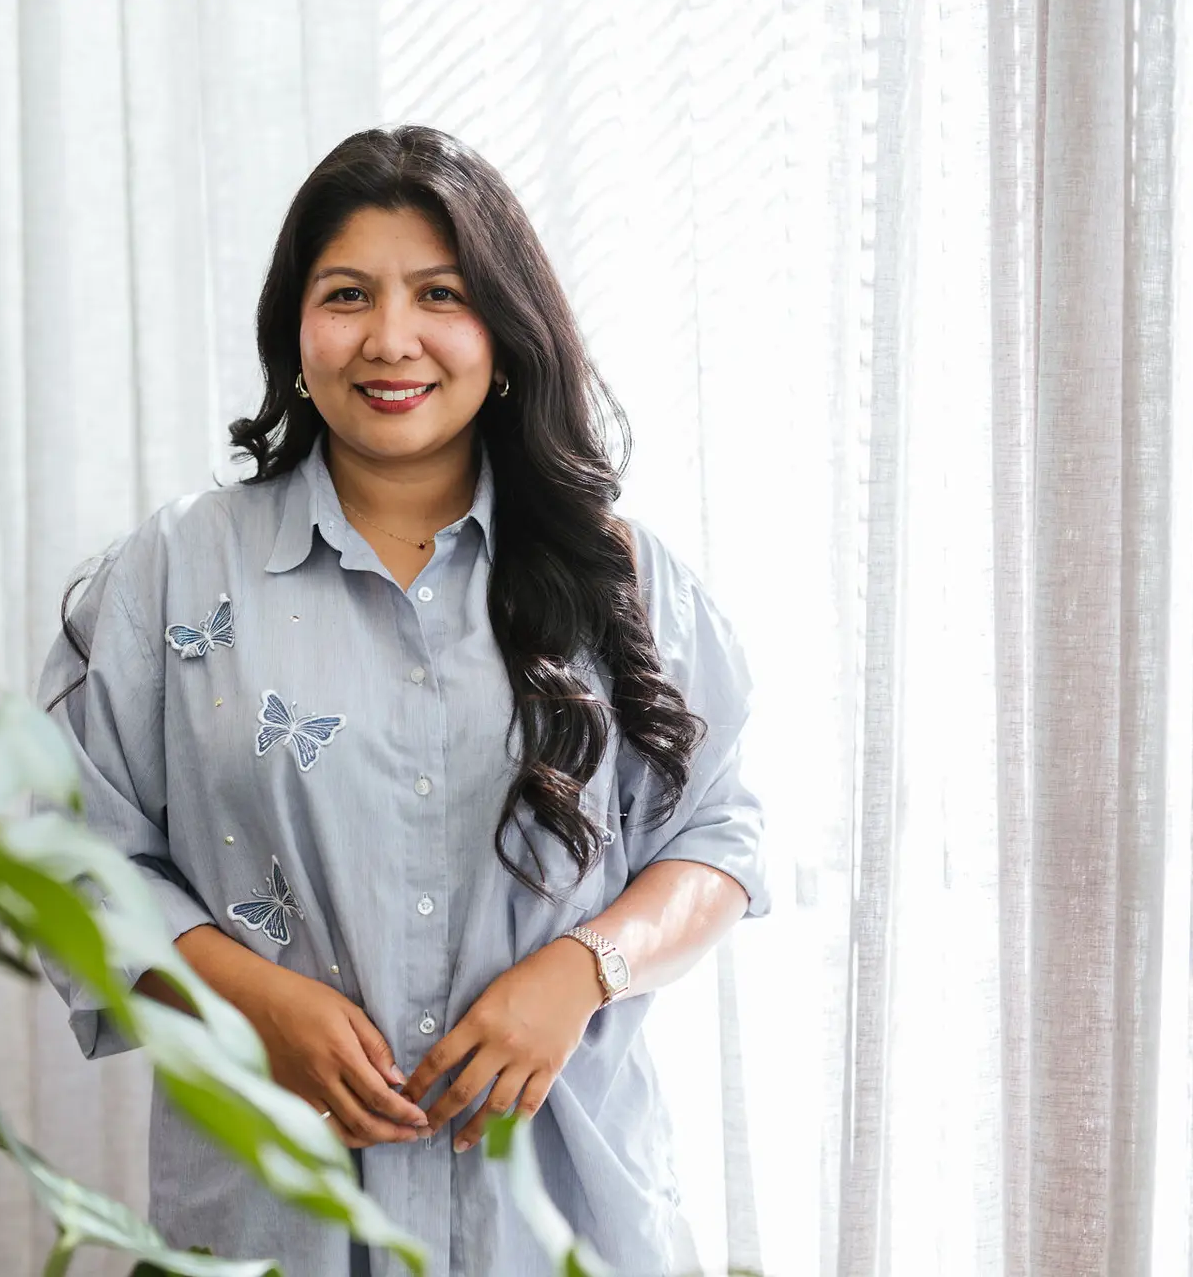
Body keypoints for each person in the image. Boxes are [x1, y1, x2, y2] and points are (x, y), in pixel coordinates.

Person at [38, 124, 767, 1277]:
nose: (391, 338)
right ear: (294, 327)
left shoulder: (617, 572)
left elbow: (722, 832)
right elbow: (71, 850)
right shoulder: (171, 571)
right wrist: (247, 999)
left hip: (563, 1212)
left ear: (505, 327)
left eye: (440, 292)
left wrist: (582, 971)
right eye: (346, 294)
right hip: (274, 1210)